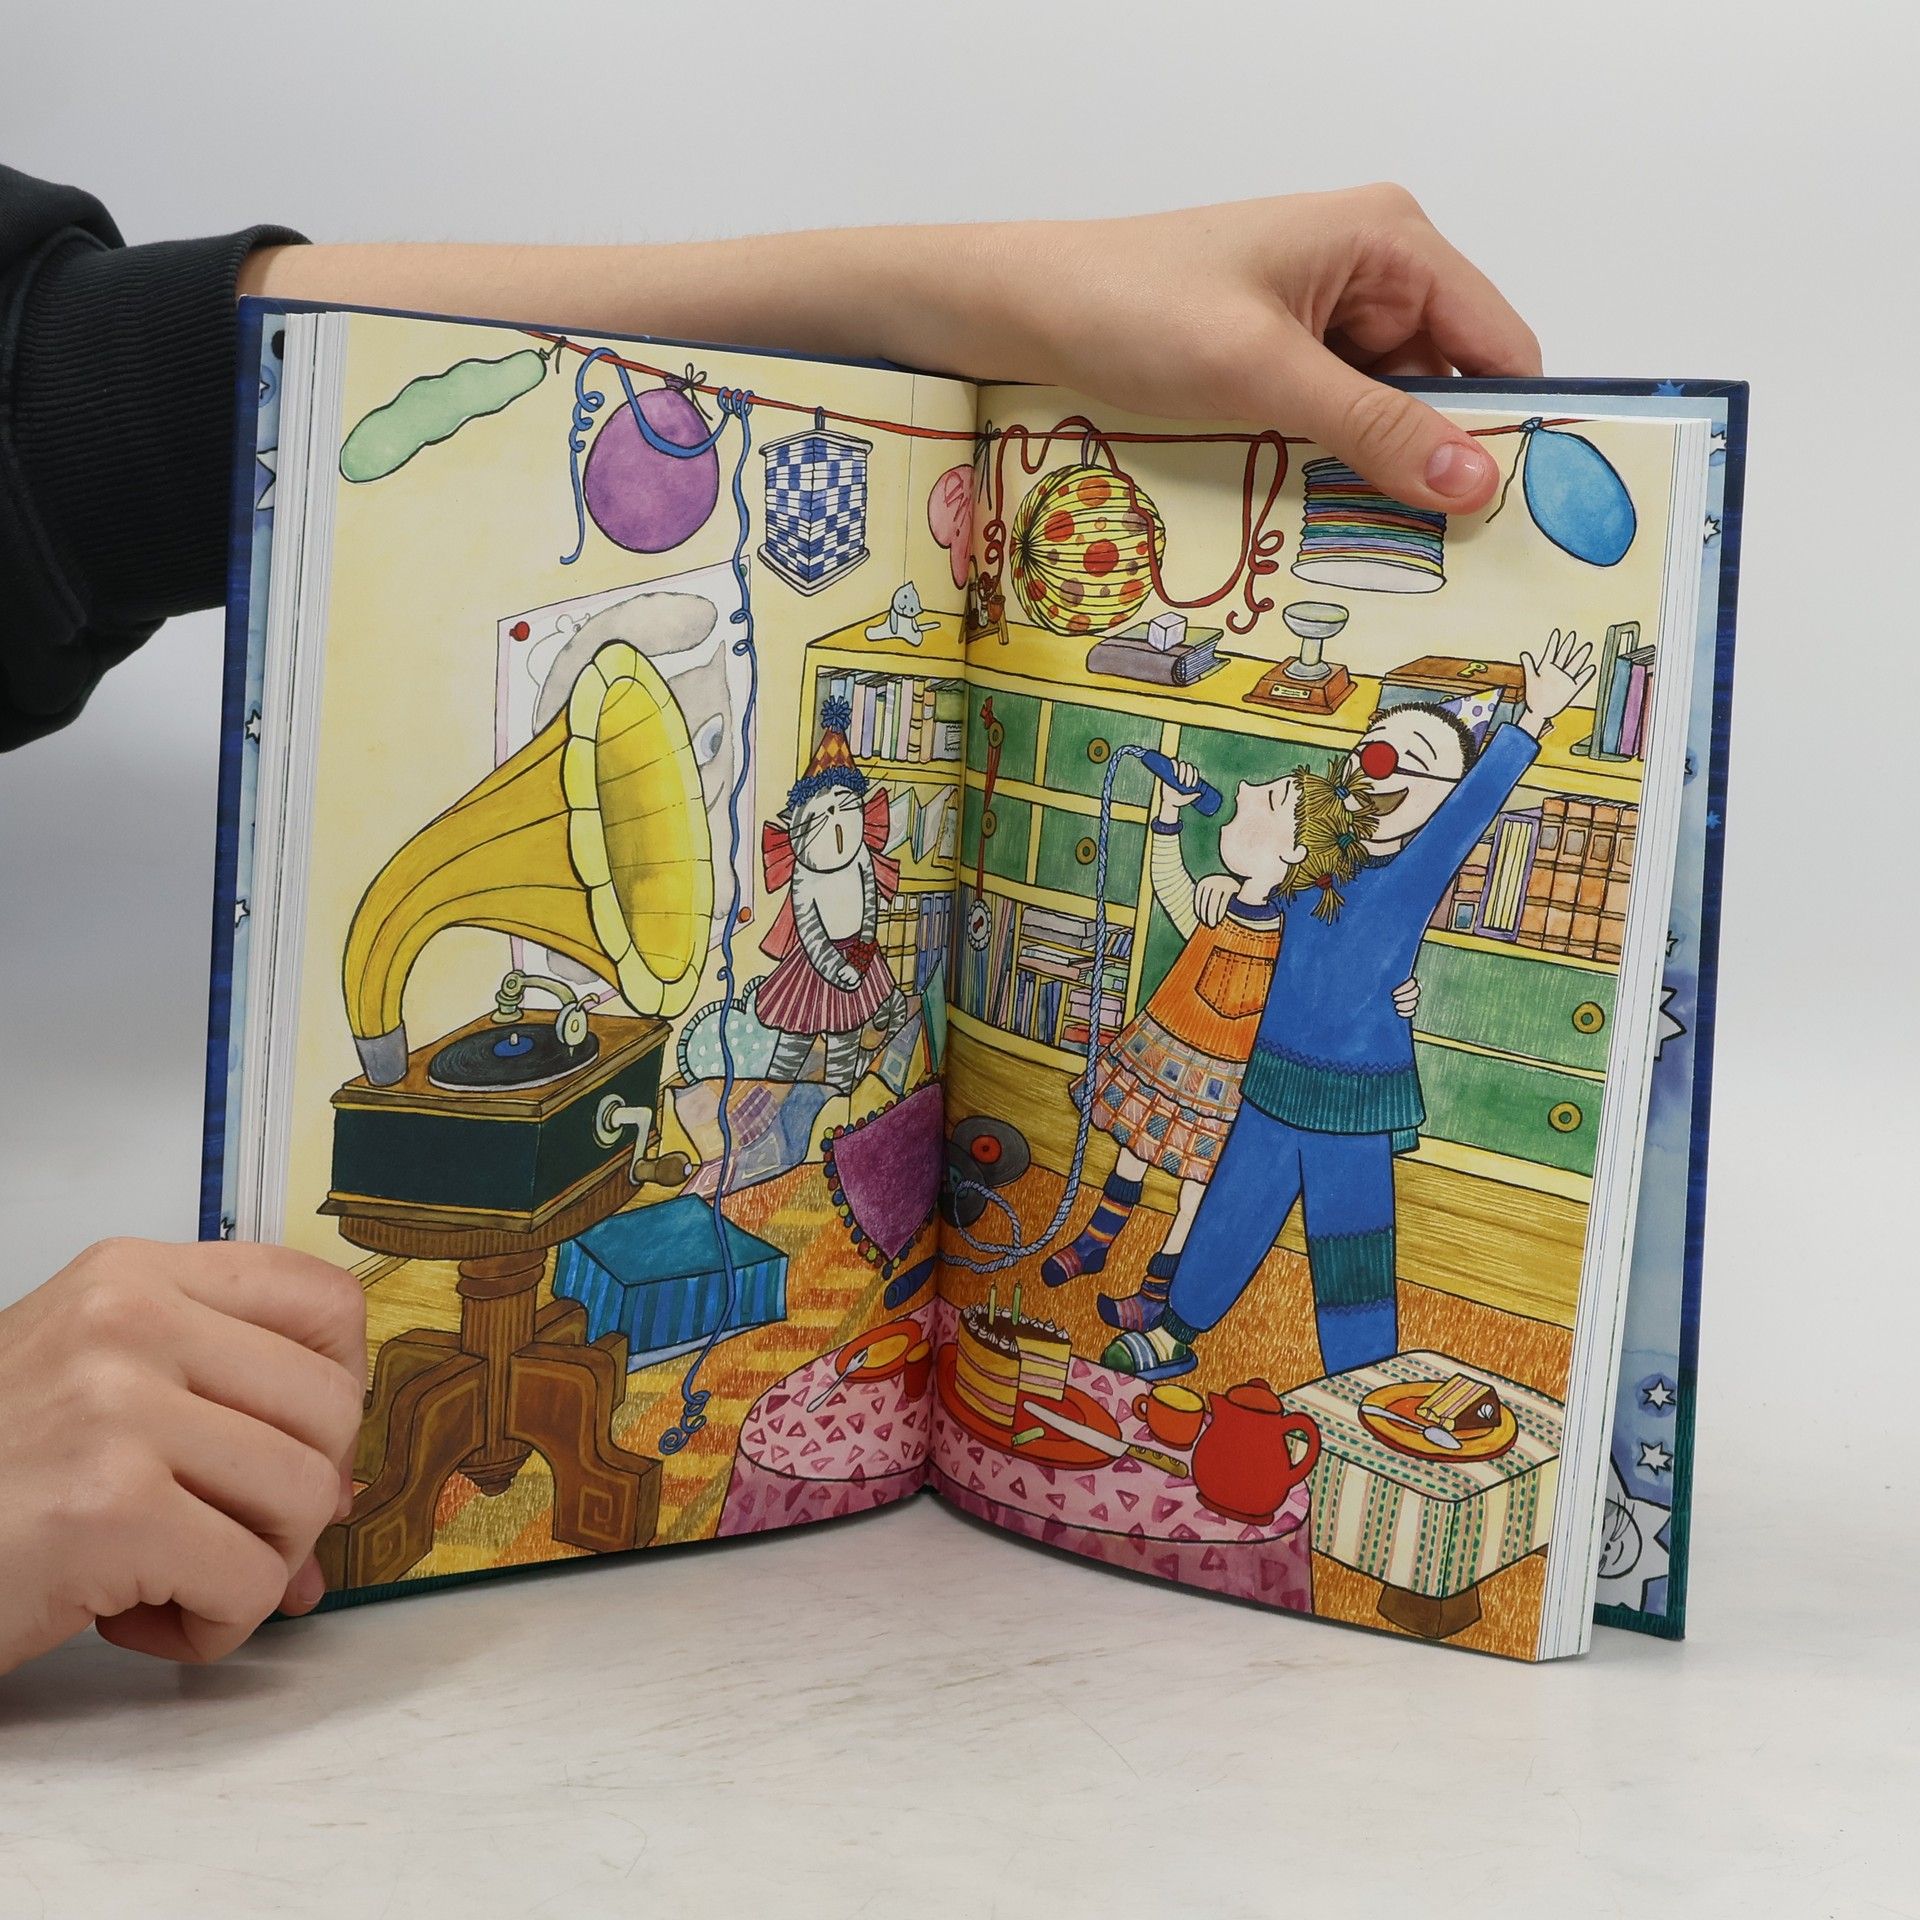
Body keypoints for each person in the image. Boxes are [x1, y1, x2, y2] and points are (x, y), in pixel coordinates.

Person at [0, 162, 1541, 1676]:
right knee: (1218, 1213)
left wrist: (958, 293)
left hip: (1308, 1087)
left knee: (1341, 1242)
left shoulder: (1372, 870)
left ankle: (1360, 1391)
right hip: (1242, 1077)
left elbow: (63, 386)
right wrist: (1188, 826)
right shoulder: (1296, 858)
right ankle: (1176, 1311)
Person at [1103, 631, 1596, 1385]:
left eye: (1407, 760)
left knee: (1353, 1243)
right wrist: (1225, 885)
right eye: (1372, 748)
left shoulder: (1411, 875)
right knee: (1236, 1208)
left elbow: (1469, 815)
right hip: (1274, 1078)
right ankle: (1177, 1331)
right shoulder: (1317, 861)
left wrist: (1531, 721)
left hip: (1355, 1096)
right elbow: (1259, 899)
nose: (1378, 765)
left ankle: (1366, 1379)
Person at [1037, 756, 1420, 1333]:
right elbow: (1171, 888)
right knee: (1134, 1149)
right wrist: (1169, 816)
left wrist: (1399, 995)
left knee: (1199, 1189)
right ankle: (1095, 1241)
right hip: (1166, 1051)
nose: (1243, 786)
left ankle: (1159, 1289)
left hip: (1231, 1081)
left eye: (1269, 798)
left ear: (1295, 853)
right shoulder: (1218, 898)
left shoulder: (1296, 929)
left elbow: (1346, 981)